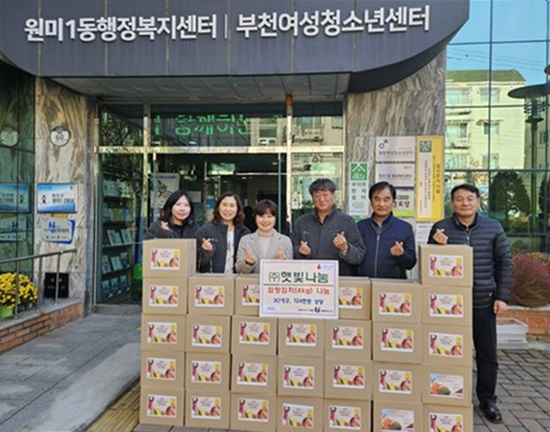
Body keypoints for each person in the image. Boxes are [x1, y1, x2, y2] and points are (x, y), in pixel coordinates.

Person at [428, 183, 512, 424]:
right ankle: (445, 392)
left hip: (482, 301)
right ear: (452, 202)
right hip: (447, 305)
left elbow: (504, 262)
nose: (464, 203)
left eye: (469, 199)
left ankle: (487, 399)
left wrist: (502, 296)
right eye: (459, 199)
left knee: (487, 354)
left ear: (478, 201)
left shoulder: (493, 228)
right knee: (445, 351)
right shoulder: (441, 228)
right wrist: (436, 246)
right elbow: (429, 263)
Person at [290, 178, 365, 276]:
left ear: (334, 195)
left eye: (325, 195)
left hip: (338, 279)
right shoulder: (302, 222)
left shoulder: (347, 221)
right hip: (309, 279)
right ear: (312, 197)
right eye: (317, 195)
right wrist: (301, 252)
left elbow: (359, 256)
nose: (321, 199)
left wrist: (345, 248)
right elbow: (290, 250)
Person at [356, 181, 417, 278]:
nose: (381, 204)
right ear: (371, 202)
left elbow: (411, 263)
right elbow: (354, 258)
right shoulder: (360, 226)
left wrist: (401, 254)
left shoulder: (405, 228)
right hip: (365, 283)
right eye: (377, 199)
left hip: (392, 285)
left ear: (393, 202)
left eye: (386, 200)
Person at [195, 191, 250, 273]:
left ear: (238, 209)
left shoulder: (244, 232)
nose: (227, 209)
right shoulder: (205, 230)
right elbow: (194, 262)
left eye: (232, 206)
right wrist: (205, 251)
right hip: (212, 280)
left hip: (237, 279)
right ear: (218, 207)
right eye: (224, 205)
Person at [235, 199, 293, 273]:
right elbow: (238, 269)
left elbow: (290, 270)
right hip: (252, 281)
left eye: (269, 216)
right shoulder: (245, 240)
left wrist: (281, 263)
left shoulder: (285, 241)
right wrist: (248, 263)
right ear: (255, 218)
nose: (265, 220)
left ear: (275, 218)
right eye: (261, 216)